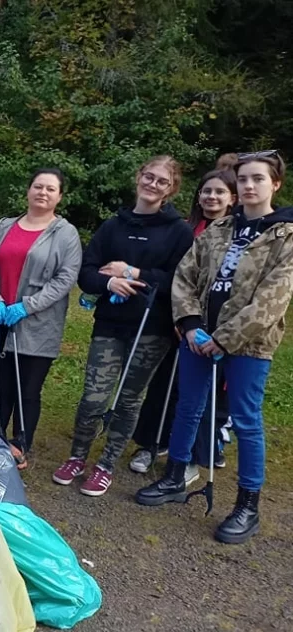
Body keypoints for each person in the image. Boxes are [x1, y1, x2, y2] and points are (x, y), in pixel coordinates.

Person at [136, 151, 293, 544]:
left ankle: (247, 504)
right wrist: (190, 325)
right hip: (198, 337)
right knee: (188, 406)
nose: (249, 186)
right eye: (243, 180)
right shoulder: (220, 229)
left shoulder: (285, 235)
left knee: (245, 419)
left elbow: (274, 298)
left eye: (258, 179)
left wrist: (226, 338)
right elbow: (185, 277)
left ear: (275, 184)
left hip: (248, 344)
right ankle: (174, 476)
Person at [52, 155, 194, 497]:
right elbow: (87, 272)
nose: (153, 184)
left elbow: (180, 279)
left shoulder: (179, 232)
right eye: (149, 176)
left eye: (162, 181)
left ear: (171, 189)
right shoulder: (113, 225)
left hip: (152, 327)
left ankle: (105, 465)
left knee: (130, 399)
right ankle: (77, 457)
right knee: (93, 397)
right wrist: (108, 284)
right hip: (110, 325)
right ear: (138, 177)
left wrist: (133, 274)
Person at [129, 166, 238, 474]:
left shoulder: (238, 233)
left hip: (215, 326)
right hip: (176, 319)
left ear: (232, 198)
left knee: (200, 394)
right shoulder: (188, 228)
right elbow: (178, 275)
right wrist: (183, 319)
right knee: (164, 385)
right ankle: (150, 443)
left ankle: (194, 453)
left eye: (219, 192)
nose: (211, 197)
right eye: (206, 191)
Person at [0, 168, 83, 469]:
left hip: (37, 325)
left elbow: (65, 279)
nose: (43, 192)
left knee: (27, 389)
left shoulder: (66, 234)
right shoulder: (4, 227)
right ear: (28, 190)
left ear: (59, 196)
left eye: (51, 189)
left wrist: (27, 305)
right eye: (38, 186)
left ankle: (20, 442)